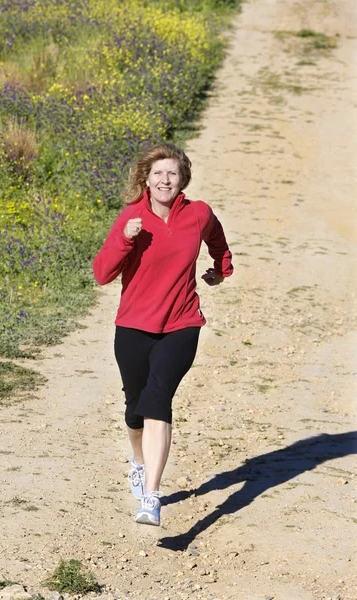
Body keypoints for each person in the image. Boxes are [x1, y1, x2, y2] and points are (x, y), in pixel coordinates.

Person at [92, 142, 233, 526]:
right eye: (158, 174)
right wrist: (125, 237)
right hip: (134, 327)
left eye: (172, 173)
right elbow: (102, 274)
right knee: (135, 408)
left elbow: (217, 239)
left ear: (182, 178)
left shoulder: (198, 214)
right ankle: (138, 461)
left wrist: (220, 268)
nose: (165, 179)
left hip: (181, 325)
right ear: (146, 180)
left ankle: (151, 497)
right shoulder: (131, 219)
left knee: (158, 401)